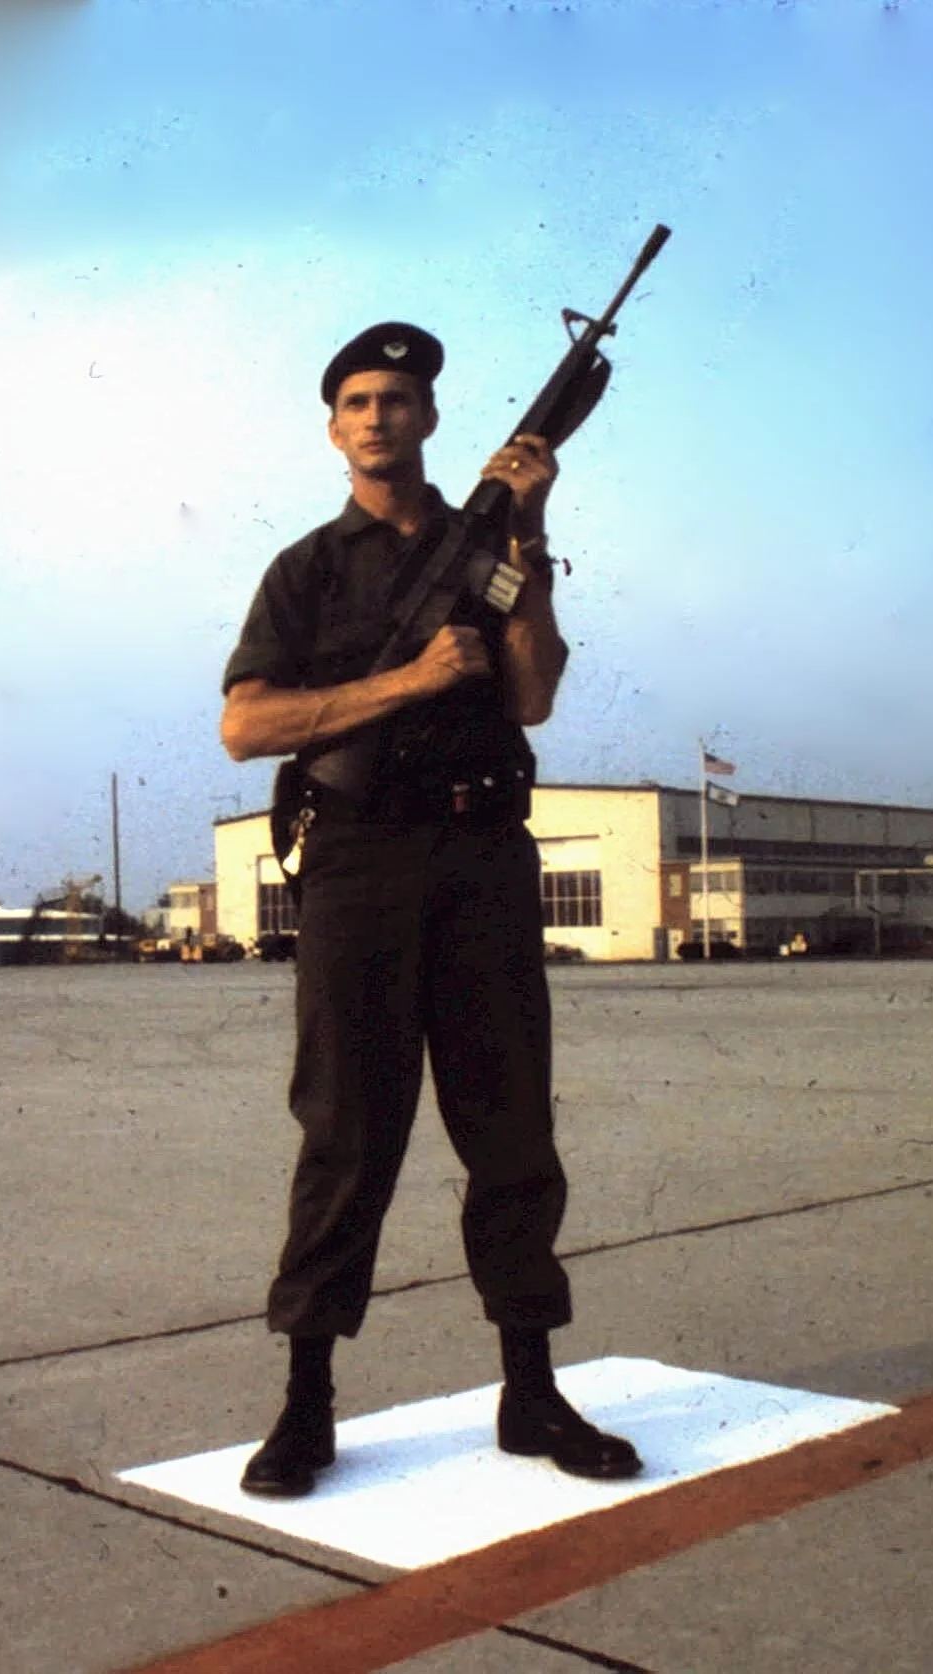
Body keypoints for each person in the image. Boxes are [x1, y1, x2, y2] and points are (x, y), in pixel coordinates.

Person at [218, 321, 640, 1497]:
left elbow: (534, 694)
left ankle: (531, 1393)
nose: (375, 416)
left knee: (508, 1129)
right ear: (333, 427)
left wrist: (530, 529)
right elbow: (247, 725)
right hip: (358, 861)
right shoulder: (305, 570)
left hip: (482, 858)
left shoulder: (491, 546)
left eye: (396, 398)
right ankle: (306, 1407)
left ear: (430, 420)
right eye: (355, 400)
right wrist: (407, 681)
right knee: (346, 1132)